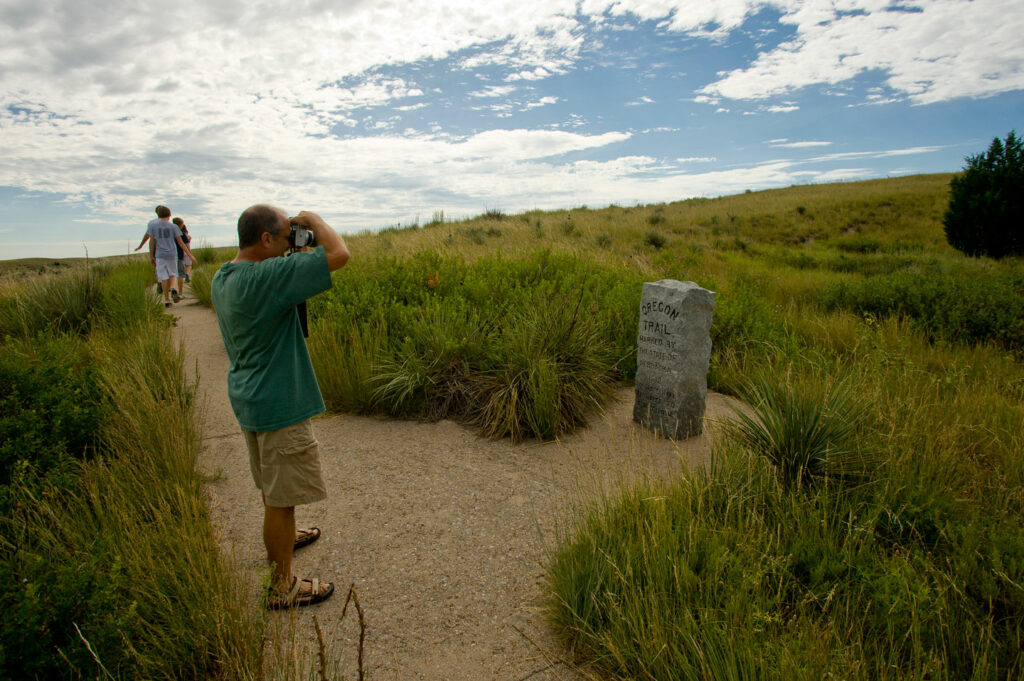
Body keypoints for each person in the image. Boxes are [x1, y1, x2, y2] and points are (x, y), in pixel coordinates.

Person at [210, 204, 350, 609]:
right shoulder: (266, 277)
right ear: (266, 240)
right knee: (281, 497)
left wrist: (294, 246)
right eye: (288, 237)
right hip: (278, 401)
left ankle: (285, 537)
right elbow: (339, 254)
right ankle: (282, 587)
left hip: (250, 396)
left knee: (274, 486)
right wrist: (316, 222)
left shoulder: (225, 276)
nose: (294, 243)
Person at [137, 205, 196, 307]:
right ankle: (173, 287)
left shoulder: (153, 226)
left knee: (163, 277)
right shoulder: (173, 227)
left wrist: (151, 255)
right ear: (169, 215)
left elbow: (151, 242)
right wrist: (190, 255)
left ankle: (167, 300)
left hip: (160, 255)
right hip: (172, 254)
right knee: (173, 274)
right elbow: (181, 242)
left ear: (158, 214)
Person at [172, 217, 196, 287]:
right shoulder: (185, 235)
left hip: (174, 254)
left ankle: (171, 286)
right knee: (187, 266)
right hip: (183, 252)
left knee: (175, 271)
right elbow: (187, 244)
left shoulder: (172, 234)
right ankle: (187, 275)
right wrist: (190, 254)